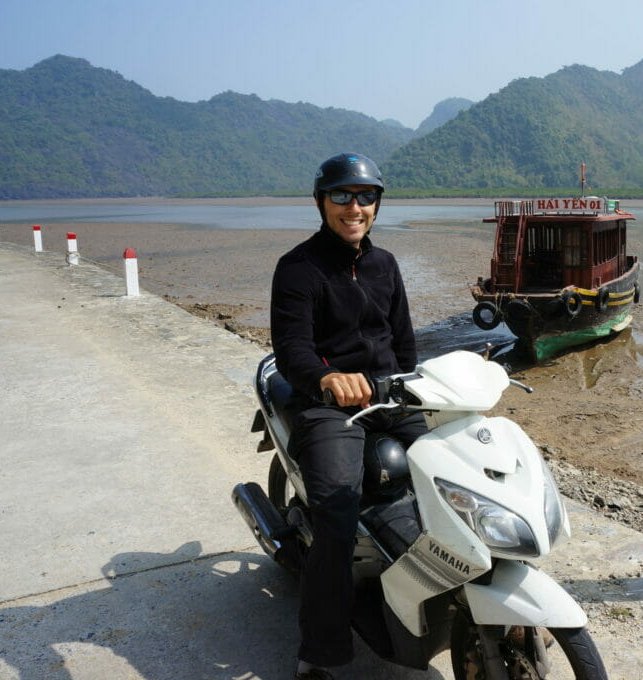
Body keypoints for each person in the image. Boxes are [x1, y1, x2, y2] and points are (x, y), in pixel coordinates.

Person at [270, 152, 427, 679]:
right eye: (341, 195)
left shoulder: (385, 265)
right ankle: (319, 649)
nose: (353, 207)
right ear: (321, 202)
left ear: (377, 205)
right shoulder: (298, 268)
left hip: (388, 398)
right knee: (337, 513)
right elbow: (292, 349)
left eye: (364, 197)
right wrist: (326, 378)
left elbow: (404, 343)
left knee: (453, 478)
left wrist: (413, 384)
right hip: (329, 408)